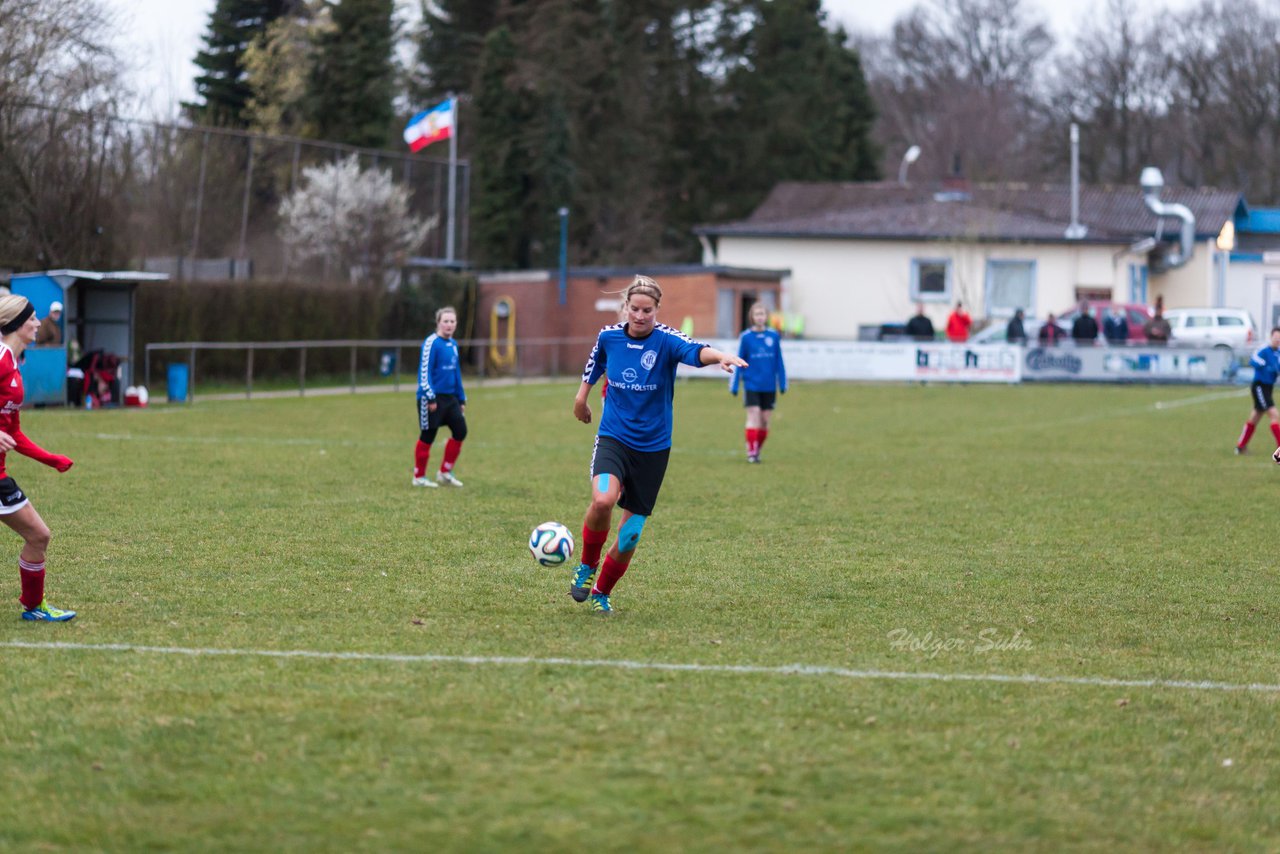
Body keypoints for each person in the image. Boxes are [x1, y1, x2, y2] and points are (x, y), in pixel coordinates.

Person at [570, 275, 747, 615]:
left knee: (630, 536)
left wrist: (721, 355)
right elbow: (595, 364)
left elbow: (696, 351)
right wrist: (581, 399)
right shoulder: (609, 336)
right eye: (634, 309)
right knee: (603, 498)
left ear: (657, 310)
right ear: (626, 307)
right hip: (614, 438)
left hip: (653, 449)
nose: (639, 316)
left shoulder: (666, 340)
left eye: (647, 310)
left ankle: (601, 592)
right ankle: (586, 567)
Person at [0, 296, 76, 621]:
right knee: (39, 535)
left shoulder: (15, 365)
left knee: (38, 535)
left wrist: (51, 459)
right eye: (32, 319)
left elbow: (14, 433)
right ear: (17, 323)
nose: (38, 324)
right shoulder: (1, 358)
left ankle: (34, 608)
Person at [412, 306, 467, 488]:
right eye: (446, 321)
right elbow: (424, 373)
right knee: (428, 435)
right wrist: (430, 397)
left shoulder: (453, 345)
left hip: (451, 398)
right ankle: (419, 477)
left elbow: (456, 372)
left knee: (460, 431)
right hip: (432, 398)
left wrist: (461, 398)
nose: (449, 325)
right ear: (438, 323)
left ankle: (445, 472)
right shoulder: (431, 343)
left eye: (452, 321)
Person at [730, 301, 787, 463]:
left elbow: (779, 361)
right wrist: (734, 384)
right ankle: (752, 452)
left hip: (769, 385)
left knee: (765, 420)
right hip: (751, 384)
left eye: (762, 314)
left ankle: (757, 449)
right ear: (752, 317)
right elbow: (739, 360)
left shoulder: (773, 336)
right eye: (757, 314)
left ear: (766, 316)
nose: (760, 317)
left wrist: (782, 382)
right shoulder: (746, 337)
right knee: (753, 415)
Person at [1236, 327, 1280, 455]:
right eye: (1276, 337)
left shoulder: (1278, 353)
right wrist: (1267, 366)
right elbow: (1253, 360)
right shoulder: (1263, 350)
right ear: (1271, 337)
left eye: (1279, 338)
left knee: (1255, 417)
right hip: (1259, 386)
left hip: (1268, 388)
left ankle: (1240, 447)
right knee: (1274, 414)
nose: (1278, 340)